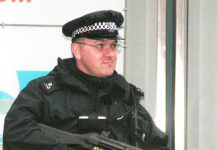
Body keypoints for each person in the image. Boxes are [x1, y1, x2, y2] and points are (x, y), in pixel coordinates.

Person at [3, 10, 168, 150]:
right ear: (77, 50)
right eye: (100, 46)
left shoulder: (126, 97)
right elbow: (16, 132)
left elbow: (159, 144)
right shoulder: (44, 92)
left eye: (113, 46)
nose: (110, 54)